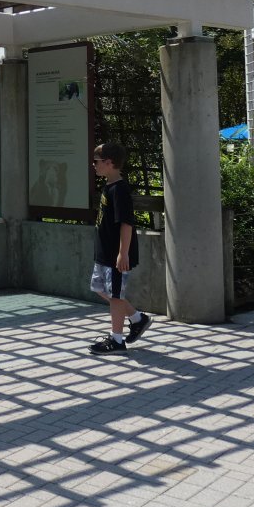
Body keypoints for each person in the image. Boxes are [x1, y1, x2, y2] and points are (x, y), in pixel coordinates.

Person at [87, 142, 150, 355]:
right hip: (105, 253)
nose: (93, 165)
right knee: (100, 288)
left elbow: (127, 223)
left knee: (115, 295)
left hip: (116, 254)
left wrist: (123, 253)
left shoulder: (120, 190)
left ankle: (117, 340)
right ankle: (137, 319)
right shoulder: (108, 186)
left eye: (96, 162)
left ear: (109, 163)